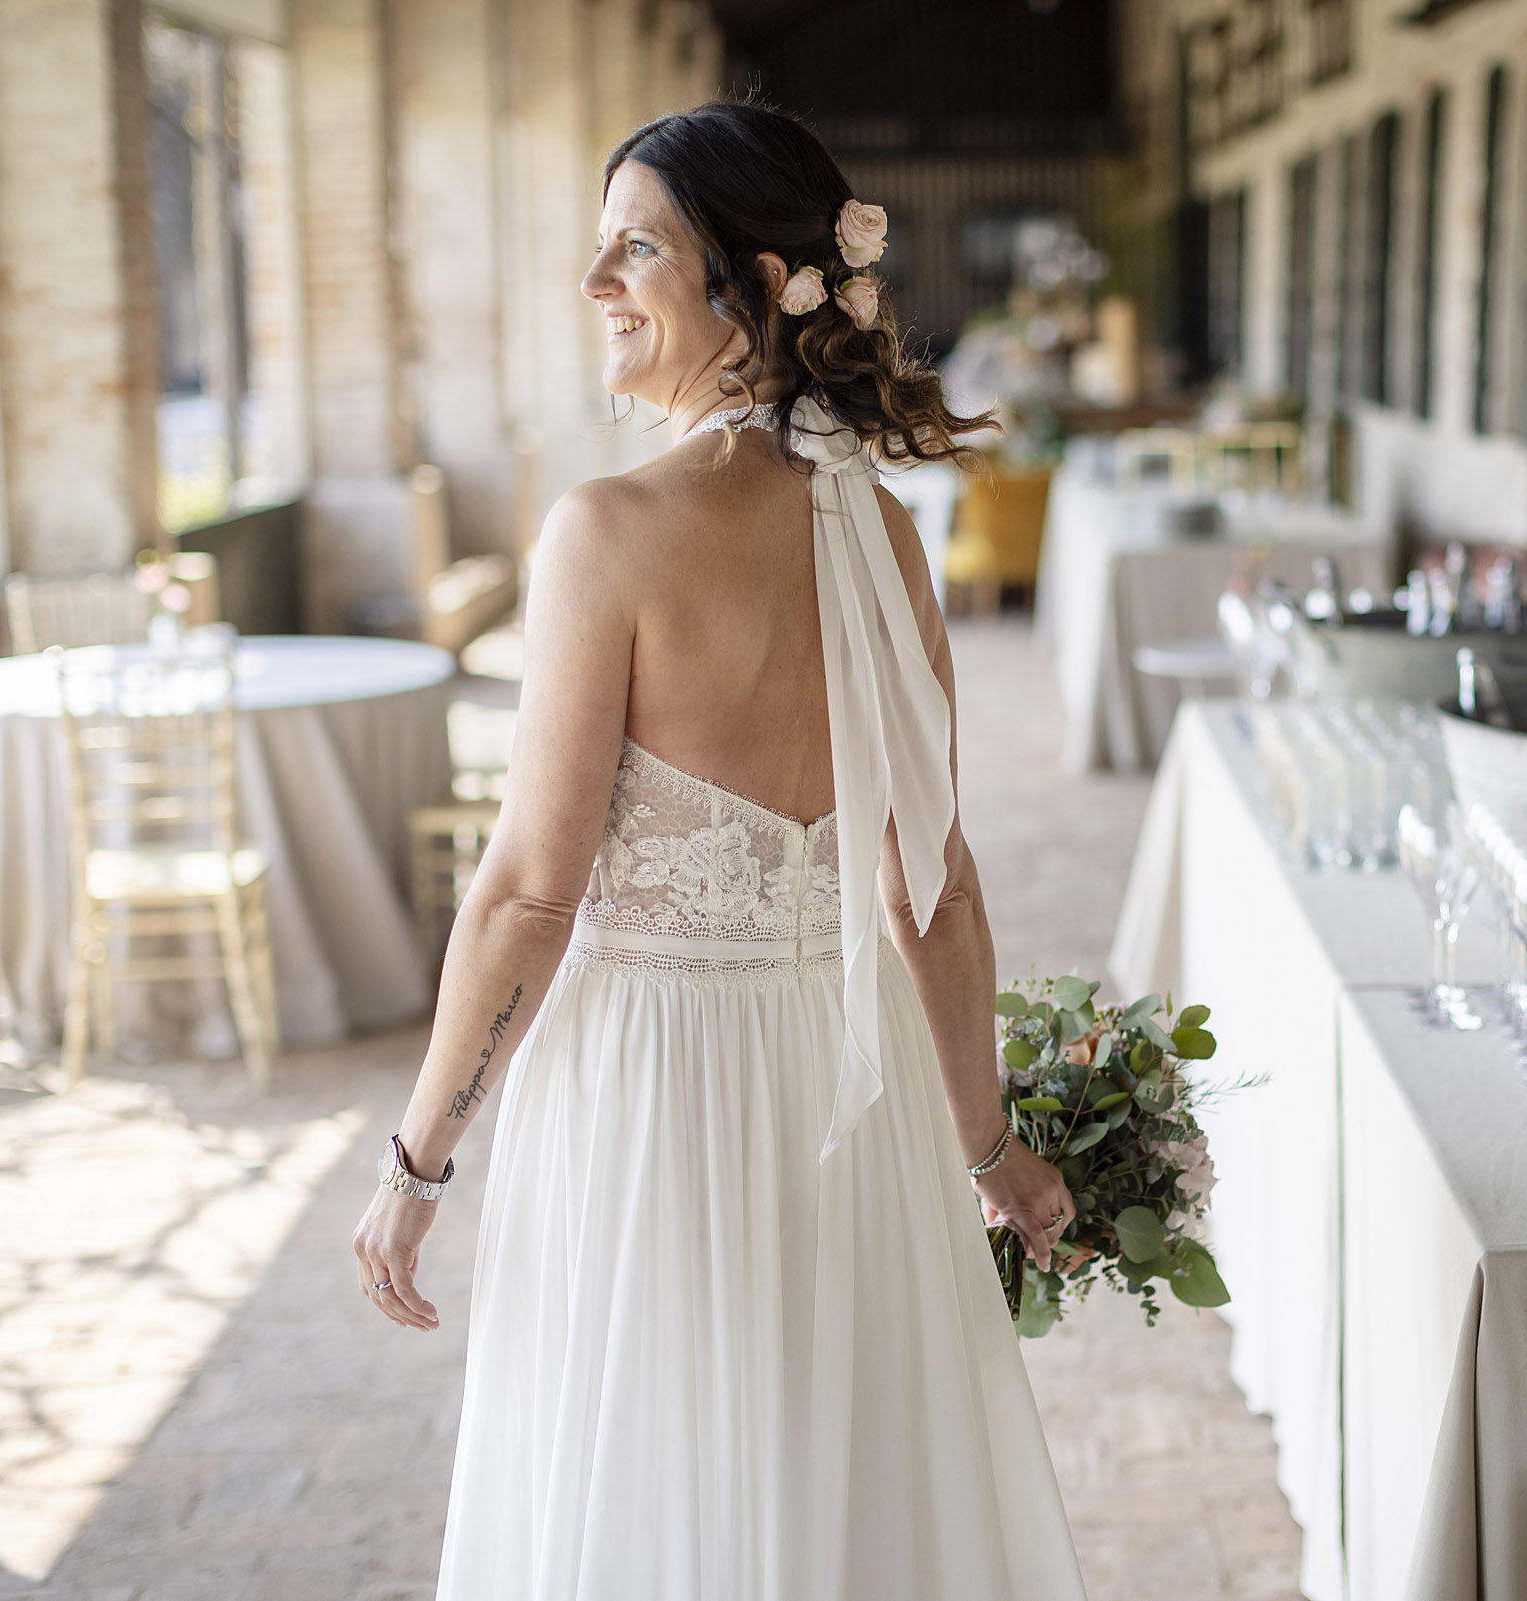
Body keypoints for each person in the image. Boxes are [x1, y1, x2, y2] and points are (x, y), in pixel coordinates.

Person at [351, 101, 1089, 1599]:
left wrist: (418, 1157)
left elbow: (526, 892)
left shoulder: (608, 530)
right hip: (852, 1085)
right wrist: (986, 1146)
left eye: (636, 246)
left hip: (657, 1096)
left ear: (752, 284)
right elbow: (930, 888)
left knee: (655, 1491)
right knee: (838, 1485)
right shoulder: (883, 530)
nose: (595, 281)